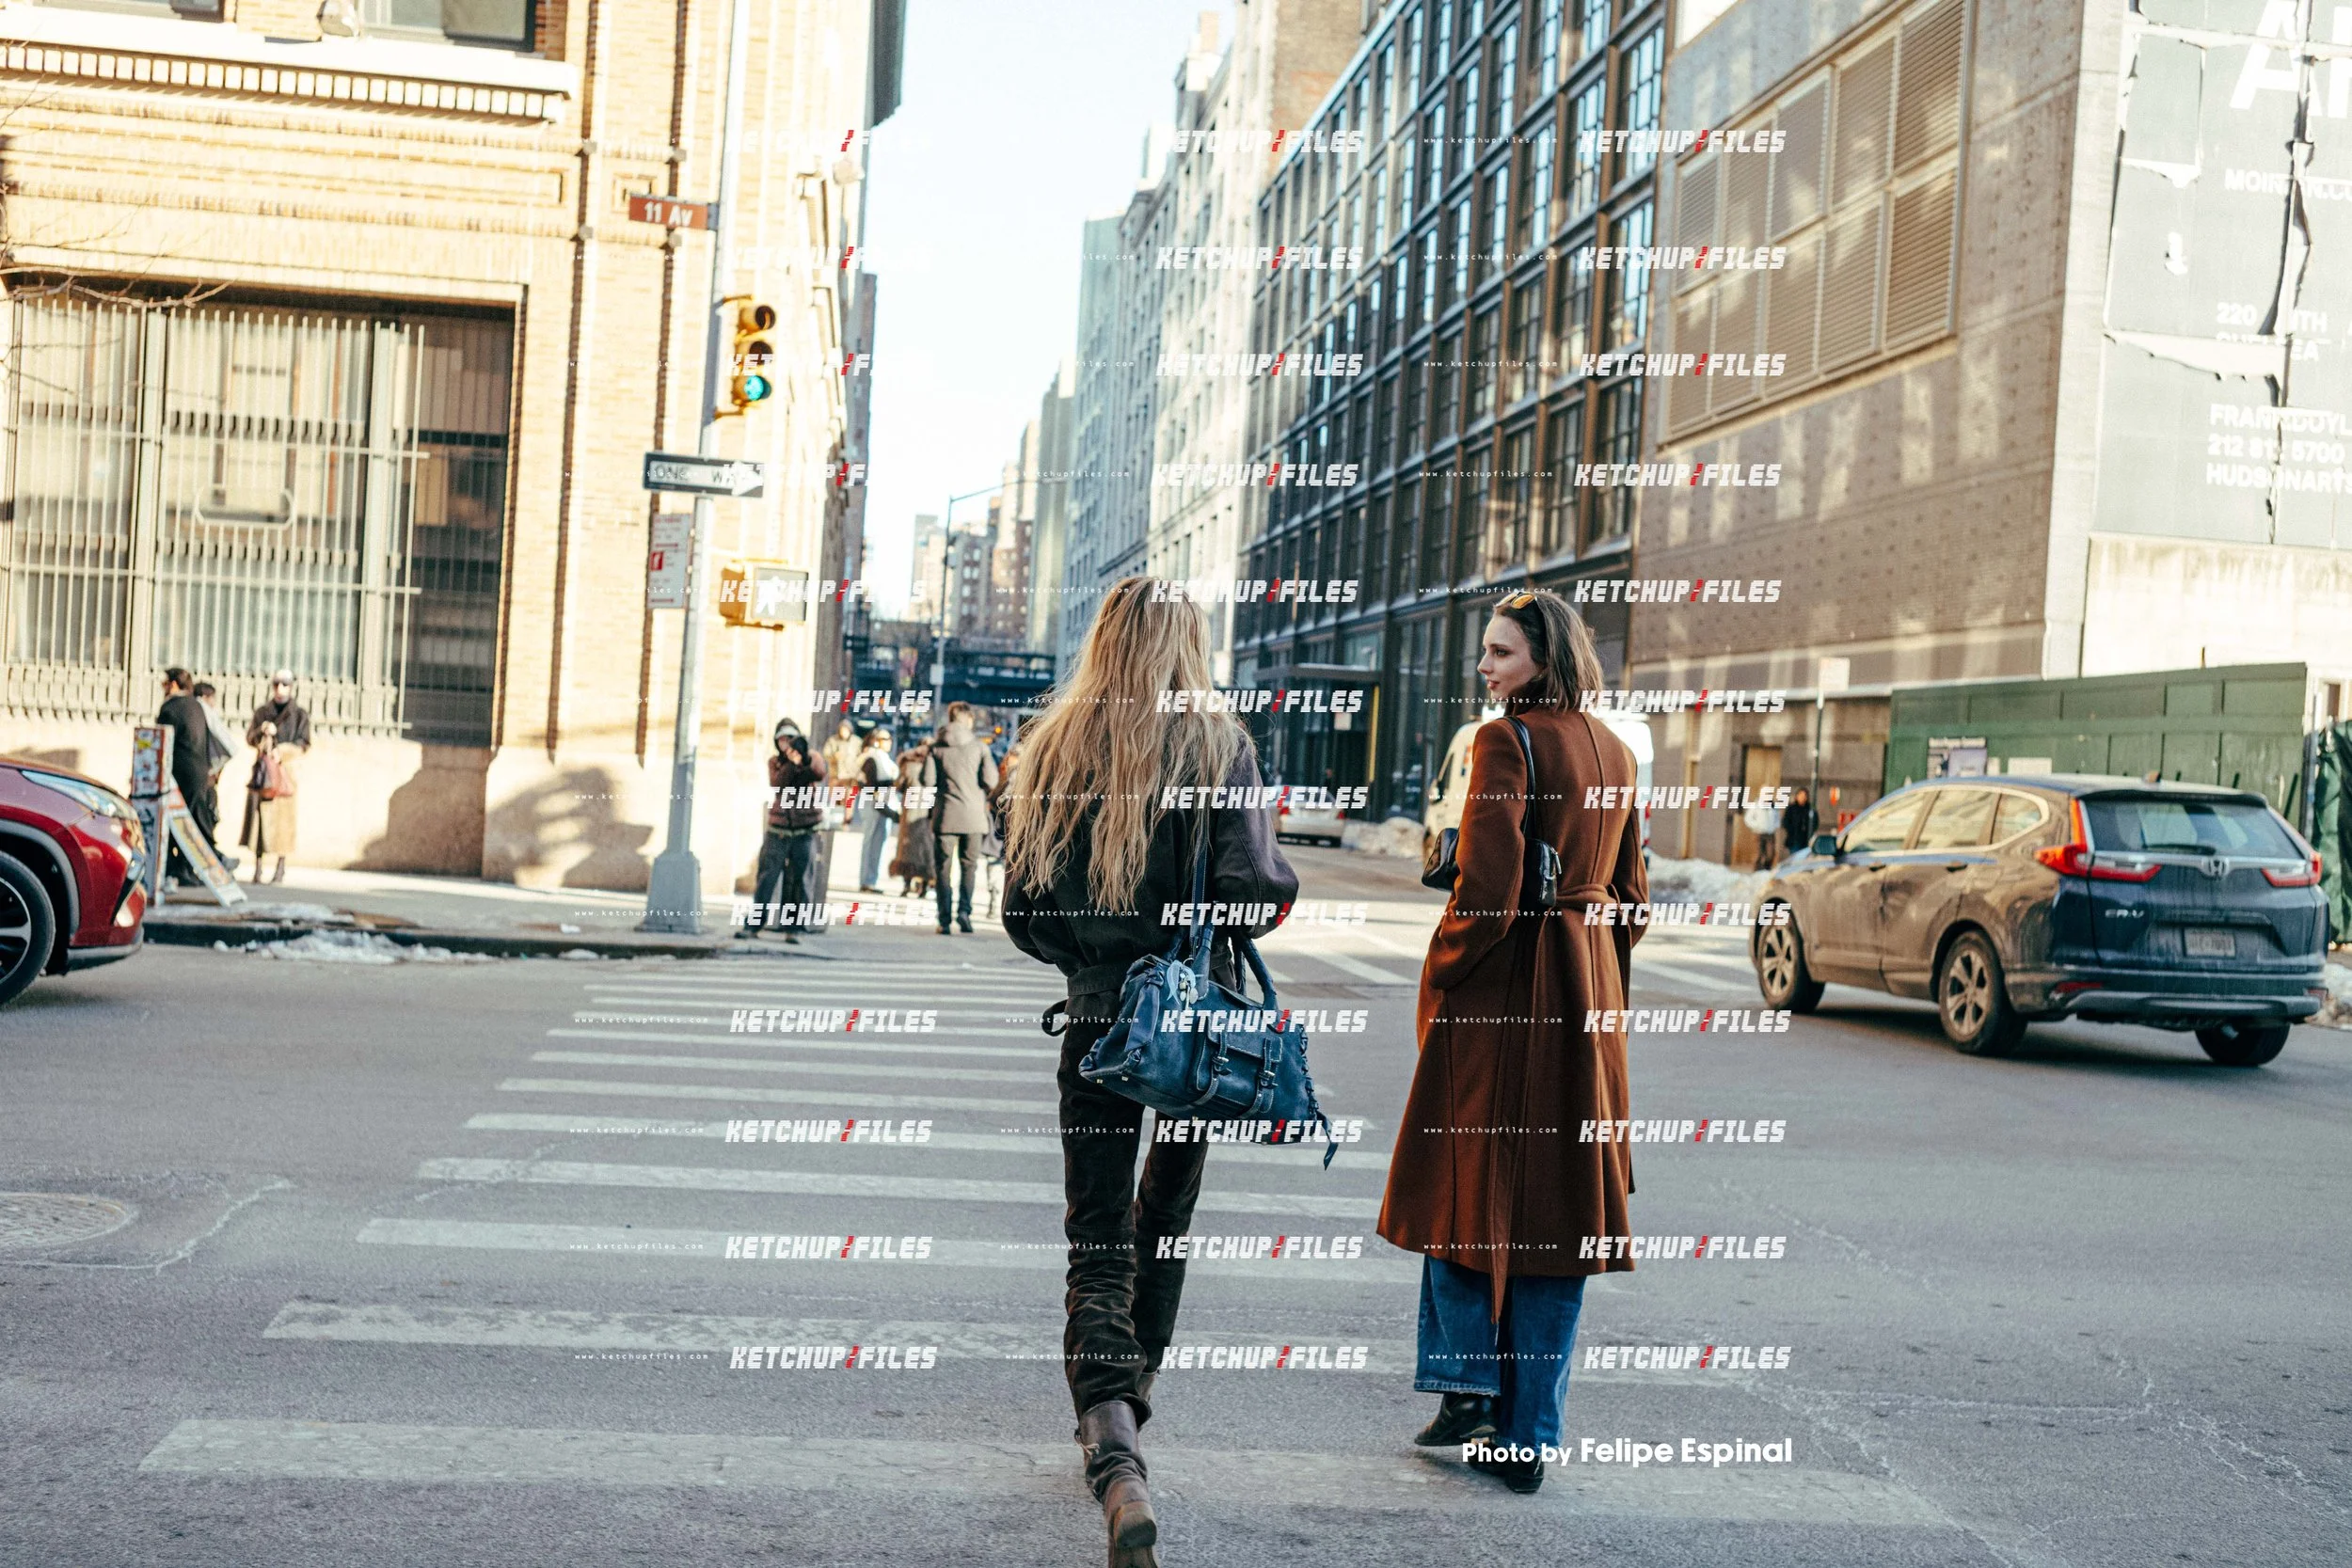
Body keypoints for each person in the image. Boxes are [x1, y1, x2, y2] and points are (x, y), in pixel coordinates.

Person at [1002, 577, 1297, 1568]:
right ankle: (1132, 1407)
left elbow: (1023, 914)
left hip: (1094, 1025)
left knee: (1095, 1238)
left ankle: (1113, 1448)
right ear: (1187, 644)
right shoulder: (1219, 743)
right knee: (1160, 1222)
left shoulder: (1053, 744)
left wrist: (1092, 958)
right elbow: (1254, 894)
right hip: (1186, 1035)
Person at [1377, 588, 1648, 1496]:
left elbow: (1487, 891)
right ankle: (1526, 1433)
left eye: (1499, 653)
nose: (1485, 669)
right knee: (1561, 1214)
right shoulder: (1615, 748)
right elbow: (1634, 897)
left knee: (1457, 1185)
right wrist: (1593, 956)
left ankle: (1466, 1389)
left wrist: (1446, 963)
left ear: (1541, 658)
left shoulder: (1505, 739)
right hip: (1585, 999)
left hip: (1505, 995)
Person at [921, 702, 999, 935]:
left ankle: (944, 920)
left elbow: (927, 781)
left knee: (943, 869)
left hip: (945, 816)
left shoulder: (936, 748)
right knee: (969, 867)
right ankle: (964, 912)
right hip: (974, 818)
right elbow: (991, 782)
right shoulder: (979, 748)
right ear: (968, 720)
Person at [748, 719, 827, 942]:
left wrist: (803, 760)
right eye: (782, 739)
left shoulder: (812, 757)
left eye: (790, 739)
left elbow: (819, 772)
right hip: (779, 827)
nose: (786, 744)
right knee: (767, 877)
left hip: (805, 828)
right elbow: (778, 783)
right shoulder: (776, 762)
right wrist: (791, 764)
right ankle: (754, 924)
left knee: (802, 880)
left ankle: (795, 928)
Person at [241, 670, 310, 885]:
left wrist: (284, 751)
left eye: (285, 684)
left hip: (284, 774)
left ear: (291, 687)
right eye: (276, 684)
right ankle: (258, 868)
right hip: (263, 774)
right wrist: (262, 732)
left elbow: (304, 743)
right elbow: (250, 738)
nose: (280, 688)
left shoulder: (299, 714)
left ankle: (280, 868)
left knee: (283, 825)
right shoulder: (263, 712)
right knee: (259, 823)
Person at [154, 669, 216, 885]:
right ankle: (187, 869)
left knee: (175, 822)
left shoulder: (170, 707)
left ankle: (177, 869)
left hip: (179, 773)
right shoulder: (196, 705)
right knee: (190, 822)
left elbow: (160, 742)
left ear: (172, 684)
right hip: (200, 772)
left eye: (164, 684)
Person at [853, 727, 897, 893]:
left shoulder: (883, 758)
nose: (889, 743)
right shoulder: (871, 758)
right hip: (873, 803)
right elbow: (870, 785)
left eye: (889, 739)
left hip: (881, 803)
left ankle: (871, 879)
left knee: (879, 842)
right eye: (885, 739)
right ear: (877, 741)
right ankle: (866, 880)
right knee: (871, 841)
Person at [890, 738, 935, 898]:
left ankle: (907, 884)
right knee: (924, 849)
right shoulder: (936, 762)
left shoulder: (908, 763)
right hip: (927, 813)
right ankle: (923, 886)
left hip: (909, 811)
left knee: (907, 849)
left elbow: (899, 785)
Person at [1783, 786, 1819, 859]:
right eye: (1801, 795)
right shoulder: (1791, 808)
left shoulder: (1810, 809)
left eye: (1805, 796)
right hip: (1794, 839)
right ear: (1797, 796)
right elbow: (1786, 822)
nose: (1803, 798)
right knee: (1795, 858)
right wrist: (1792, 831)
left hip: (1806, 839)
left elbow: (1815, 822)